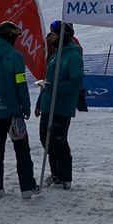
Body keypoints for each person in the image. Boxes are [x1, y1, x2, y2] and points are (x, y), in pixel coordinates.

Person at [0, 21, 38, 197]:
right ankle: (27, 188)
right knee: (22, 150)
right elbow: (20, 83)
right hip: (13, 111)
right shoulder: (15, 57)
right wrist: (26, 105)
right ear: (10, 37)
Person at [37, 24, 84, 188]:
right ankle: (55, 173)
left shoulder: (72, 56)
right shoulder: (55, 55)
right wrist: (39, 102)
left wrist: (56, 87)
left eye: (53, 35)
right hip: (48, 105)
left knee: (59, 140)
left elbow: (75, 82)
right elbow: (48, 80)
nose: (49, 38)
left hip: (61, 107)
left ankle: (64, 178)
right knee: (46, 139)